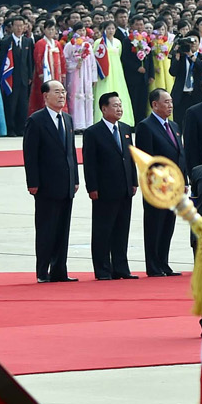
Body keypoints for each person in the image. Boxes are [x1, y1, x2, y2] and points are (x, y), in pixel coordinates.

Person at [22, 80, 77, 283]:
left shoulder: (68, 119)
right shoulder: (36, 121)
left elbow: (71, 152)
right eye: (57, 92)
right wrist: (32, 182)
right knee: (46, 229)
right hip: (46, 185)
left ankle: (59, 270)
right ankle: (42, 271)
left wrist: (76, 179)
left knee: (63, 229)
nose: (62, 95)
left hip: (67, 184)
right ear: (45, 96)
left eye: (63, 91)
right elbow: (30, 154)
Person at [79, 91, 136, 281]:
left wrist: (134, 182)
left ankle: (121, 267)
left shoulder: (126, 129)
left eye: (120, 105)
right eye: (115, 106)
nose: (119, 109)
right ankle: (103, 269)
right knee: (103, 230)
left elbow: (130, 158)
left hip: (125, 188)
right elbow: (90, 162)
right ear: (104, 109)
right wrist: (92, 187)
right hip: (104, 189)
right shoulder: (93, 132)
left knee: (122, 230)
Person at [133, 88, 182, 276]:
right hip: (157, 187)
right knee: (155, 225)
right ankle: (153, 266)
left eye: (171, 101)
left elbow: (180, 155)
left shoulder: (175, 127)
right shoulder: (146, 126)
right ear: (155, 105)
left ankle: (164, 263)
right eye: (166, 102)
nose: (170, 105)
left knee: (168, 224)